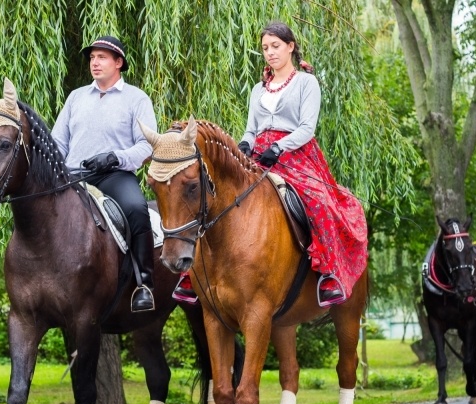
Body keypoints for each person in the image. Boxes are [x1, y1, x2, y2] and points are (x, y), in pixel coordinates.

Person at [178, 20, 369, 308]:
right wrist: (244, 145)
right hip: (258, 156)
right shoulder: (258, 89)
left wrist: (280, 146)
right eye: (265, 48)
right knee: (214, 195)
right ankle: (191, 275)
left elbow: (307, 128)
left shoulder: (306, 82)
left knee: (319, 201)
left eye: (275, 46)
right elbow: (251, 130)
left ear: (290, 47)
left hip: (295, 155)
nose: (270, 52)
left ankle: (327, 275)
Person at [52, 36, 158, 312]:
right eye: (92, 58)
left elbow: (147, 145)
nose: (95, 63)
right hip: (73, 175)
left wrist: (115, 157)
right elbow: (58, 142)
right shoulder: (76, 97)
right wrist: (53, 170)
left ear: (118, 62)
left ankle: (144, 284)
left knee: (136, 208)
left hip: (114, 175)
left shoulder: (136, 98)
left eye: (101, 57)